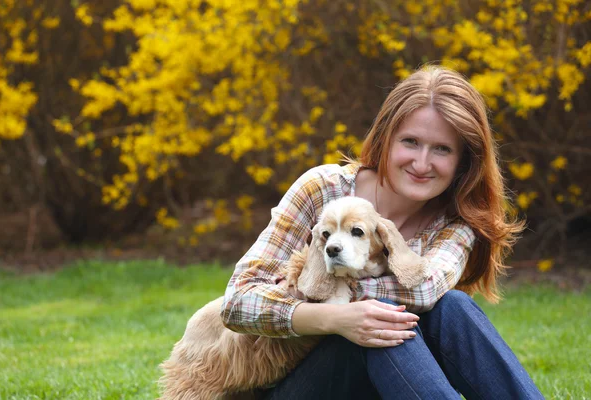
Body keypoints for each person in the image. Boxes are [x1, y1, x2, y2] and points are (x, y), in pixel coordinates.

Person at [220, 65, 544, 399]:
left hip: (388, 383)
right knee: (378, 324)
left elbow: (425, 291)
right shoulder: (322, 189)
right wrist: (333, 318)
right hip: (300, 387)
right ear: (386, 139)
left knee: (451, 307)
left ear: (464, 160)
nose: (421, 162)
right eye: (410, 142)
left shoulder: (456, 225)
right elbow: (237, 301)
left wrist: (325, 292)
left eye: (442, 149)